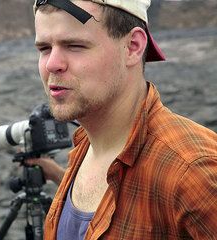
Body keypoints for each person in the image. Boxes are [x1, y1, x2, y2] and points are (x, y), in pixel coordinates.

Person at [26, 0, 217, 239]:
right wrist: (56, 174)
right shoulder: (85, 146)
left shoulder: (192, 170)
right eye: (44, 48)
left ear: (133, 47)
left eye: (74, 45)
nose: (52, 64)